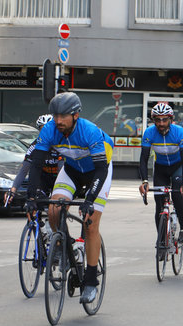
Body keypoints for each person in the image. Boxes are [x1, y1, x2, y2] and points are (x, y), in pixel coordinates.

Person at [26, 92, 113, 304]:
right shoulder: (50, 131)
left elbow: (101, 170)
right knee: (54, 209)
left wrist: (90, 198)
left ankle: (91, 281)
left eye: (63, 116)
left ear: (75, 115)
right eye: (55, 115)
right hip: (72, 170)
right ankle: (65, 249)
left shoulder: (90, 132)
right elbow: (36, 165)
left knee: (90, 224)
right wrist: (31, 197)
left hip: (98, 171)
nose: (58, 121)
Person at [138, 102, 183, 245]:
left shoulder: (180, 133)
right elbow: (143, 160)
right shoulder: (149, 133)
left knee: (177, 195)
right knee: (159, 203)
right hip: (161, 168)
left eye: (164, 119)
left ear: (171, 119)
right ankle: (161, 238)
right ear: (153, 120)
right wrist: (144, 181)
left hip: (177, 167)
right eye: (157, 119)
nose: (161, 123)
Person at [5, 114, 62, 206]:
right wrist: (13, 189)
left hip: (59, 177)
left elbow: (61, 168)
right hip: (42, 178)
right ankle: (34, 218)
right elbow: (24, 170)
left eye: (50, 129)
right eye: (43, 129)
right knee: (35, 200)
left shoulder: (61, 144)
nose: (47, 132)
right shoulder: (34, 146)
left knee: (58, 205)